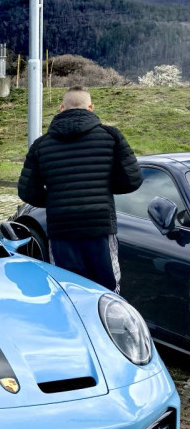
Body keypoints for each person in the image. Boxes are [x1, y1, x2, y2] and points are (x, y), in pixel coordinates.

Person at [18, 86, 142, 291]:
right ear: (91, 108)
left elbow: (27, 192)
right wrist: (102, 189)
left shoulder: (41, 145)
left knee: (68, 288)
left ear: (61, 108)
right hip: (100, 226)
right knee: (107, 287)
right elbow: (132, 180)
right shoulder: (111, 136)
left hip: (61, 228)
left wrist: (55, 199)